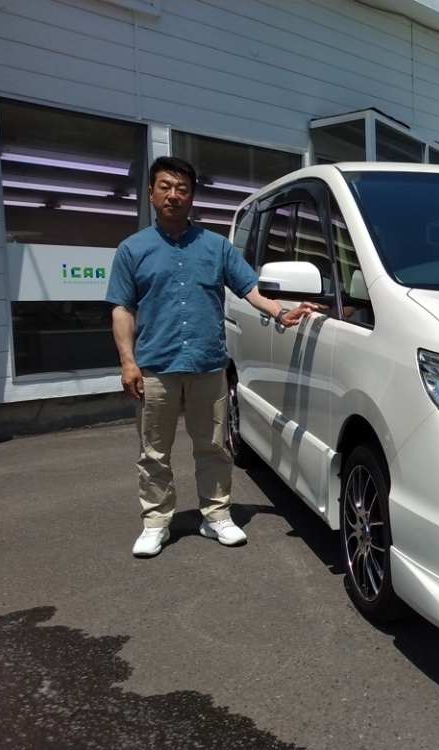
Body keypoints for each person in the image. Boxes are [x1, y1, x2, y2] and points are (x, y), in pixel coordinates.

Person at [106, 156, 316, 557]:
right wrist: (128, 362)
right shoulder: (132, 250)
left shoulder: (216, 246)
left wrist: (280, 313)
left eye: (182, 188)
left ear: (192, 196)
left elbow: (249, 288)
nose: (173, 195)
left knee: (214, 447)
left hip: (208, 365)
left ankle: (216, 515)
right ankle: (155, 523)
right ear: (151, 193)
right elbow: (122, 309)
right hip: (156, 368)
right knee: (153, 452)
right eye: (165, 187)